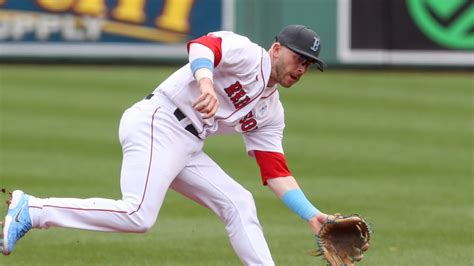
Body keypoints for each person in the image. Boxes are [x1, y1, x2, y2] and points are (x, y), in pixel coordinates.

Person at [2, 25, 331, 265]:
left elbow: (275, 171)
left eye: (307, 64)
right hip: (157, 121)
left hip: (186, 145)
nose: (301, 68)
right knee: (138, 214)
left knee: (239, 203)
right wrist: (206, 83)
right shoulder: (247, 53)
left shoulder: (271, 112)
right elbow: (202, 46)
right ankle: (32, 209)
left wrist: (312, 215)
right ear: (276, 49)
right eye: (297, 58)